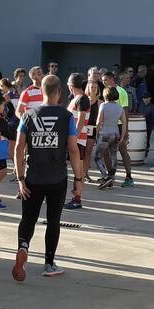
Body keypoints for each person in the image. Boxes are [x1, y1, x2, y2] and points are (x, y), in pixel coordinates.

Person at [13, 74, 83, 280]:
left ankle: (23, 247)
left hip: (32, 178)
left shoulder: (28, 115)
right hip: (57, 178)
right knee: (53, 221)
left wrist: (20, 178)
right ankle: (49, 263)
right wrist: (79, 181)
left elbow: (18, 147)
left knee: (28, 218)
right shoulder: (66, 116)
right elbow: (73, 150)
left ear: (41, 91)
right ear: (59, 92)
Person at [102, 71, 134, 187]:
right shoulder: (104, 91)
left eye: (105, 79)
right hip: (108, 126)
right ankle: (110, 177)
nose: (103, 82)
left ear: (111, 79)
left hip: (120, 126)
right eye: (102, 79)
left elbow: (125, 112)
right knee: (105, 151)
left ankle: (129, 177)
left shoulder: (122, 92)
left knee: (122, 150)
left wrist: (126, 131)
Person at [64, 73, 90, 209]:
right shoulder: (76, 99)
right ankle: (75, 197)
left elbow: (80, 122)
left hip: (78, 141)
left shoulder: (82, 99)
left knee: (78, 171)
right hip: (74, 140)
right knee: (75, 171)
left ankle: (77, 199)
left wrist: (73, 139)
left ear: (70, 85)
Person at [94, 86, 126, 189]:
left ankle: (105, 176)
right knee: (113, 156)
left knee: (98, 157)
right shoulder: (120, 107)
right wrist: (122, 136)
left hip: (105, 133)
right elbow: (124, 123)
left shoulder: (103, 105)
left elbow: (99, 122)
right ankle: (112, 176)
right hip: (115, 133)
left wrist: (97, 134)